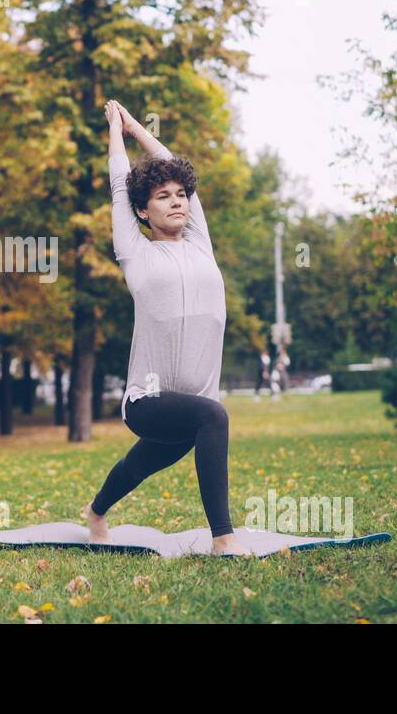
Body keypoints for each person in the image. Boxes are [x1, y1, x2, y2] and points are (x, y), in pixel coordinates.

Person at [82, 101, 251, 557]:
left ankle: (96, 513)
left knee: (140, 464)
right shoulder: (136, 254)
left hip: (193, 402)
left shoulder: (200, 242)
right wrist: (117, 131)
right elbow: (120, 184)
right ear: (142, 211)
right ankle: (224, 539)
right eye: (163, 196)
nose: (177, 201)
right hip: (148, 399)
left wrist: (139, 126)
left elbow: (176, 171)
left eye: (181, 194)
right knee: (212, 417)